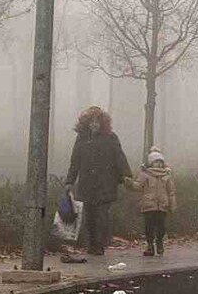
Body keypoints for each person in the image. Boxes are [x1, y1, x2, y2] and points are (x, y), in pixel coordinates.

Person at [64, 106, 132, 256]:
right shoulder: (81, 138)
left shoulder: (111, 137)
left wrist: (127, 176)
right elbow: (75, 161)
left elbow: (119, 157)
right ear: (86, 123)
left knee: (102, 215)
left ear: (102, 123)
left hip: (106, 183)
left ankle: (99, 245)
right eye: (91, 122)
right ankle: (92, 244)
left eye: (97, 121)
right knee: (89, 216)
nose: (94, 125)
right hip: (87, 184)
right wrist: (69, 181)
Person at [127, 147, 177, 257]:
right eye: (156, 162)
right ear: (151, 163)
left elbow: (171, 192)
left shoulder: (167, 176)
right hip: (148, 206)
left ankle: (159, 243)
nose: (158, 165)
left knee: (161, 227)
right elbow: (138, 186)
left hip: (162, 206)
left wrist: (172, 205)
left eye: (160, 162)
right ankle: (150, 245)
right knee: (149, 227)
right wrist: (129, 183)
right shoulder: (145, 175)